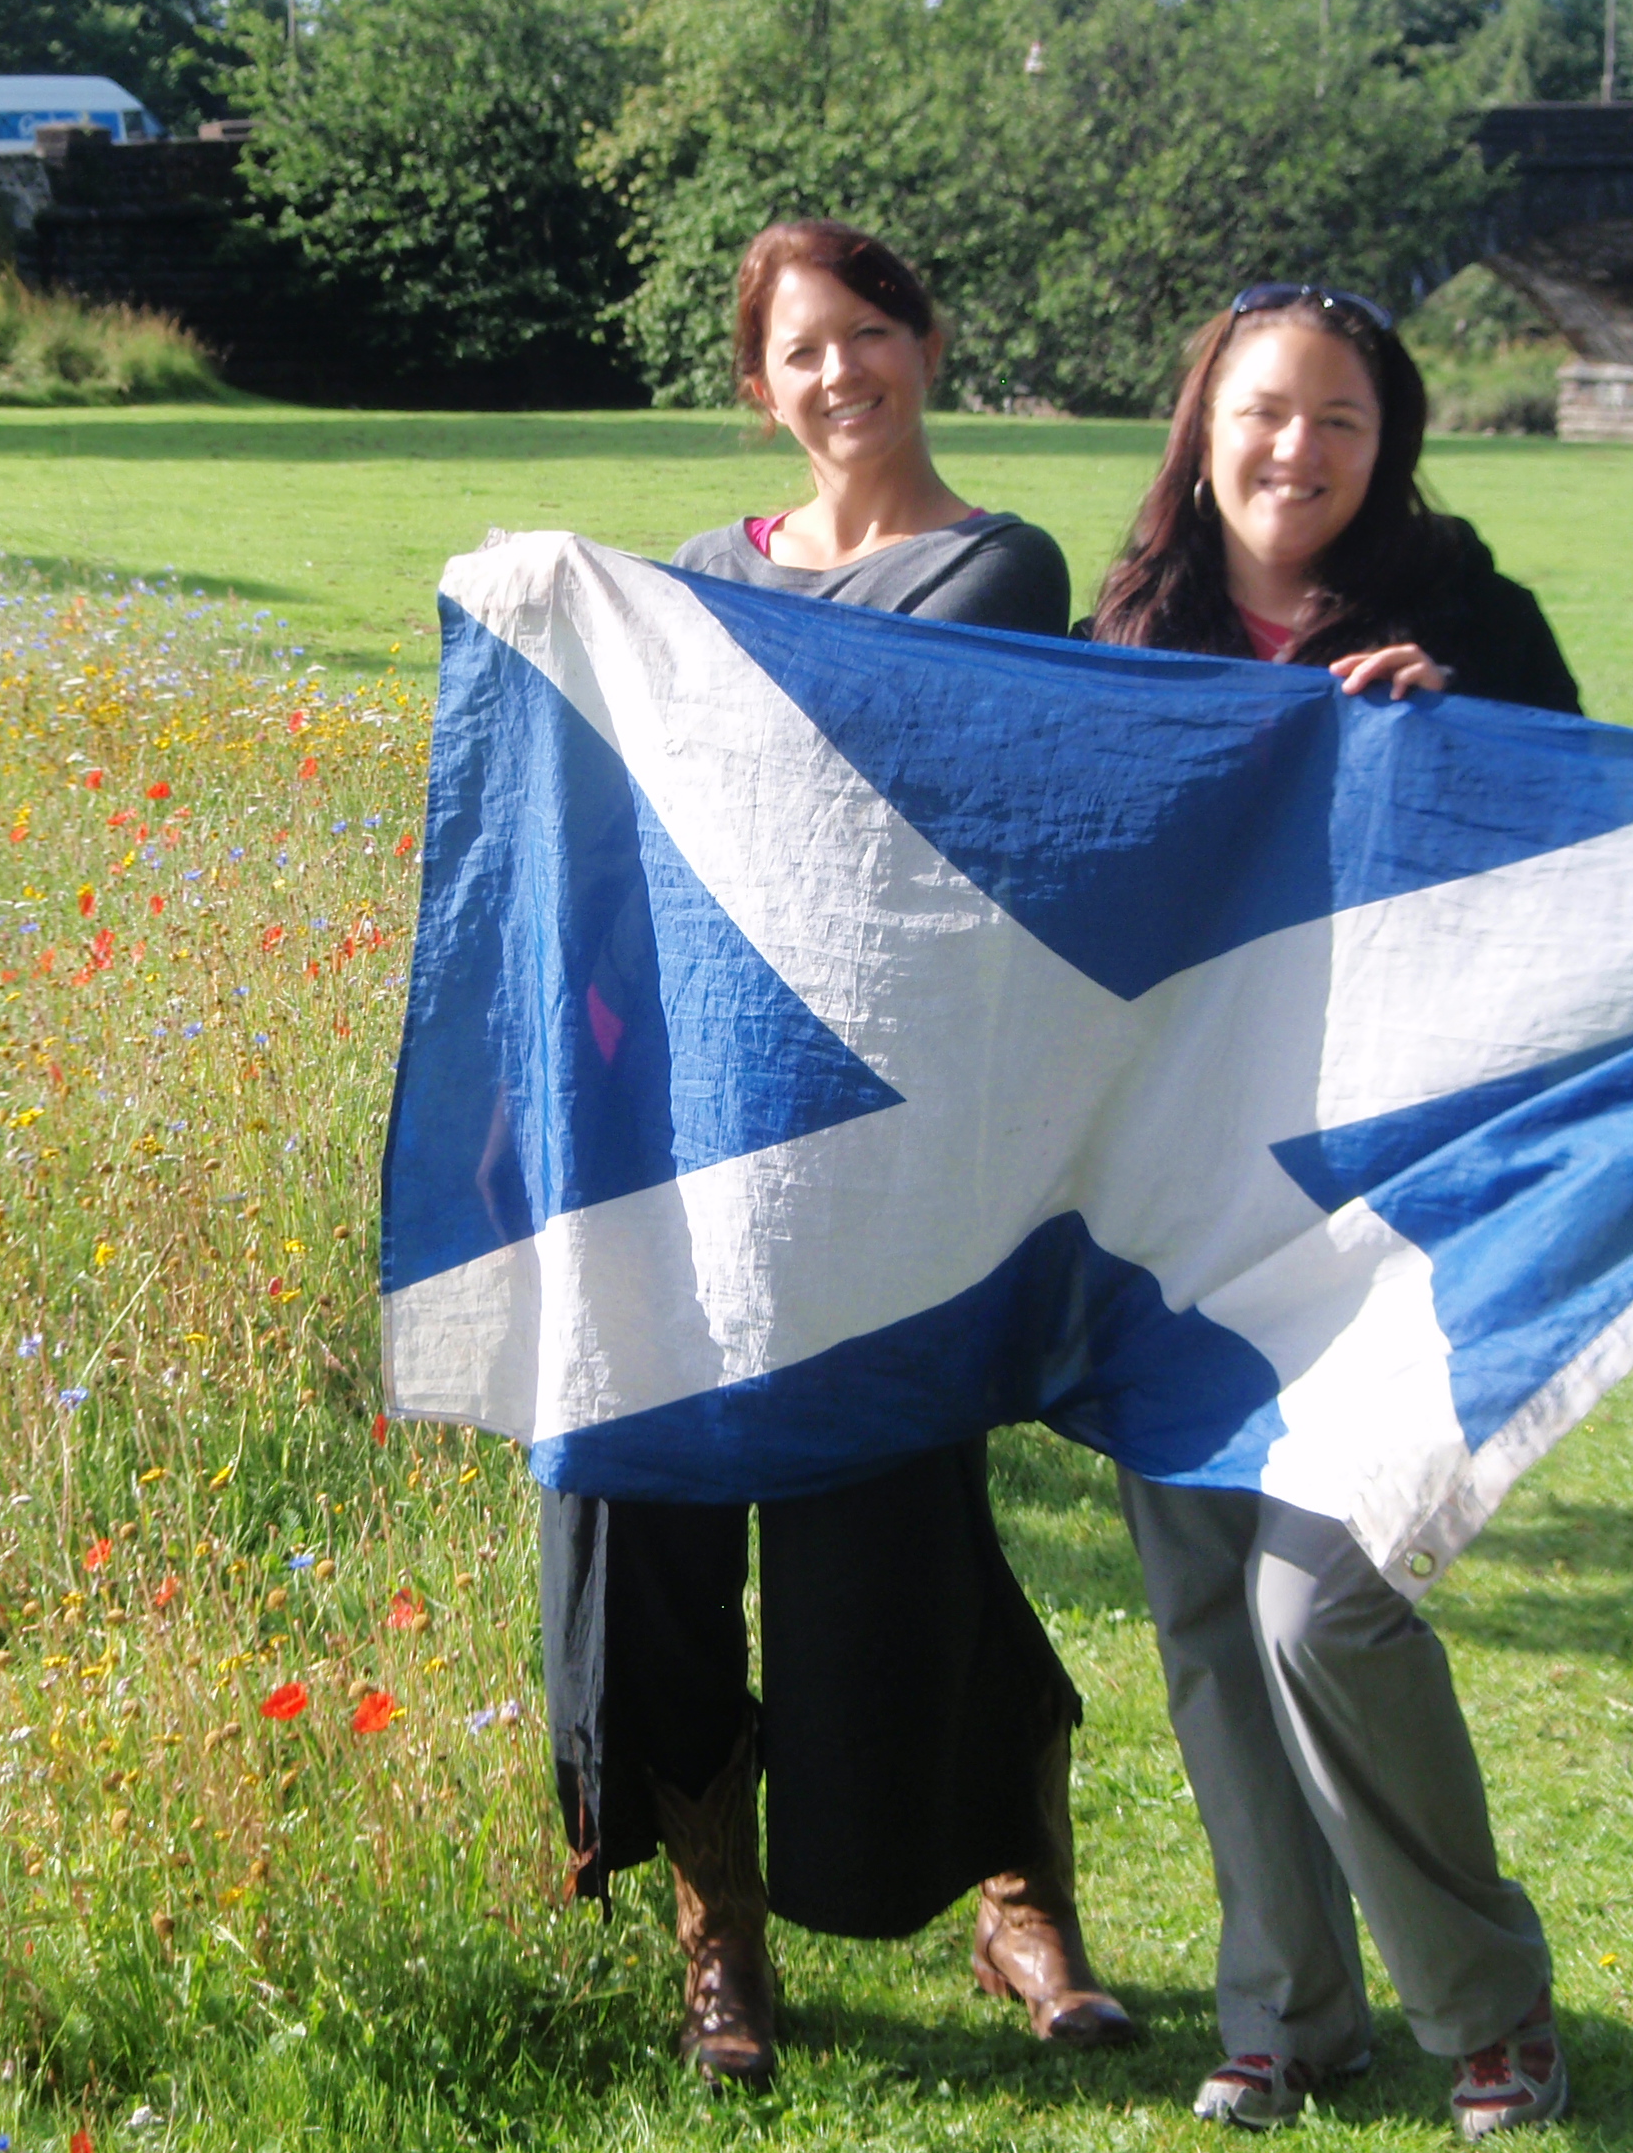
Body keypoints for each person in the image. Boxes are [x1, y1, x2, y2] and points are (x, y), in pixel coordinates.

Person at [536, 218, 1136, 2091]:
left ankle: (1009, 1883)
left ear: (928, 345)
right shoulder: (696, 580)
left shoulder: (995, 562)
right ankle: (718, 1935)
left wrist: (640, 648)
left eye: (871, 333)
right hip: (694, 1126)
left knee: (894, 1507)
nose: (841, 373)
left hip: (889, 1135)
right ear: (757, 383)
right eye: (802, 349)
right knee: (664, 1503)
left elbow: (865, 759)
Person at [1088, 282, 1575, 2138]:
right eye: (1264, 413)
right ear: (1203, 427)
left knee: (1322, 1609)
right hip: (1178, 1208)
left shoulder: (1470, 623)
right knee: (1205, 1613)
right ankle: (1285, 2011)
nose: (1296, 450)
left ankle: (1488, 2011)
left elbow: (1590, 883)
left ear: (1394, 443)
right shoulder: (1125, 633)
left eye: (1341, 420)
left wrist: (1457, 746)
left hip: (1400, 1213)